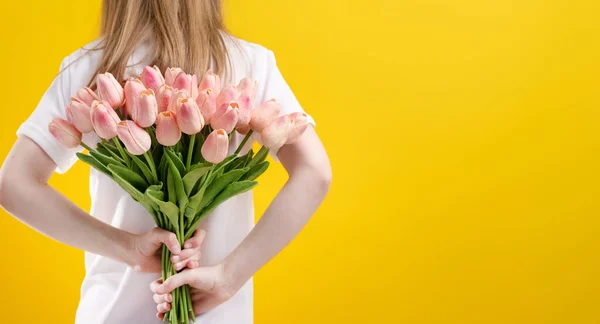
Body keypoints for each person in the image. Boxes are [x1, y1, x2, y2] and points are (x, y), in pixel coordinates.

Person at [0, 0, 331, 323]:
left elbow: (13, 184)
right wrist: (229, 277)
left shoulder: (92, 67)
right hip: (218, 317)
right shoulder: (249, 63)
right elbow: (314, 173)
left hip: (110, 312)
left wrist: (128, 248)